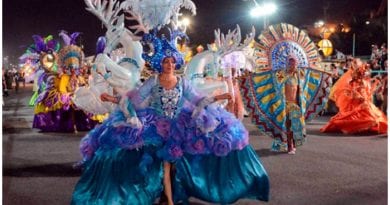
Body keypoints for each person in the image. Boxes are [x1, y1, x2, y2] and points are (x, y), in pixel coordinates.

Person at [71, 55, 270, 205]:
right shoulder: (153, 80)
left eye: (173, 62)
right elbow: (136, 99)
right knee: (153, 160)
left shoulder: (182, 81)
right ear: (161, 64)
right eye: (167, 62)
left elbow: (197, 99)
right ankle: (163, 196)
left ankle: (173, 194)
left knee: (178, 161)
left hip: (179, 124)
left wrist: (220, 97)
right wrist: (113, 99)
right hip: (156, 123)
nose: (170, 65)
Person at [321, 62, 387, 134]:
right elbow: (351, 92)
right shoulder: (353, 82)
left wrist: (375, 84)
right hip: (357, 104)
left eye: (365, 72)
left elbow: (368, 92)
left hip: (365, 104)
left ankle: (365, 128)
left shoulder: (365, 82)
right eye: (363, 72)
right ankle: (359, 128)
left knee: (372, 117)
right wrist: (359, 97)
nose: (365, 73)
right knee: (359, 117)